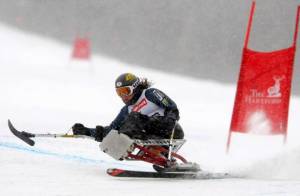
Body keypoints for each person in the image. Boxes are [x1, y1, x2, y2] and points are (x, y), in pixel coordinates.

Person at [72, 73, 184, 142]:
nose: (123, 96)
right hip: (150, 136)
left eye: (125, 91)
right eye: (119, 93)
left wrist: (170, 119)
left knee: (134, 118)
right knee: (118, 130)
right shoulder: (126, 110)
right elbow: (112, 130)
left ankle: (128, 140)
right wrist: (86, 131)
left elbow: (172, 108)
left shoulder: (150, 94)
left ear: (135, 88)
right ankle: (123, 145)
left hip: (170, 131)